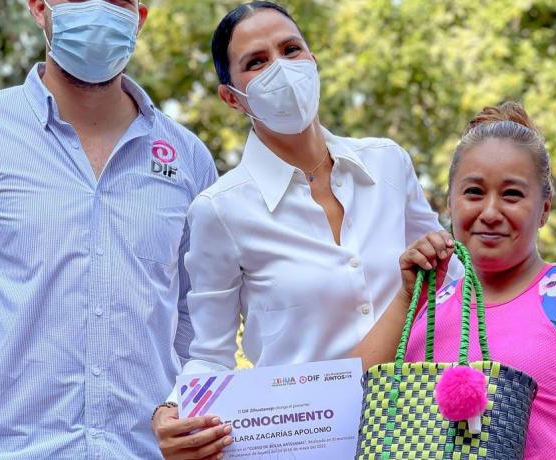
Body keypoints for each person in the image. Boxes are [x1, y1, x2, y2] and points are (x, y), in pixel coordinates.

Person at [150, 2, 457, 458]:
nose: (280, 68)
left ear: (313, 61)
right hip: (302, 442)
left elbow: (451, 284)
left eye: (291, 49)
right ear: (232, 98)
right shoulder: (220, 211)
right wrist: (173, 411)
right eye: (256, 62)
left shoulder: (387, 163)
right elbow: (211, 354)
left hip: (417, 432)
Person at [0, 1, 220, 458]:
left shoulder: (189, 158)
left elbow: (200, 319)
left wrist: (182, 408)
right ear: (38, 8)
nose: (96, 7)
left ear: (140, 17)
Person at [353, 102, 556, 459]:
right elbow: (346, 407)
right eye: (473, 193)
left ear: (544, 208)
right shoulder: (424, 309)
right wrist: (409, 297)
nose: (490, 212)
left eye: (512, 194)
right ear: (449, 204)